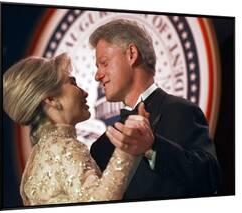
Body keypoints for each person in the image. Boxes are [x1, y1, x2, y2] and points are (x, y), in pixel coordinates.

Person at [89, 19, 221, 200]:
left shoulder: (180, 111)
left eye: (104, 63)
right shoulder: (101, 147)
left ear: (131, 54)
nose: (98, 75)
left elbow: (209, 179)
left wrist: (152, 148)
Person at [3, 53, 143, 205]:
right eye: (73, 83)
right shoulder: (65, 148)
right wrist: (127, 148)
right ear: (51, 99)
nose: (85, 92)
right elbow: (96, 202)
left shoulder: (38, 157)